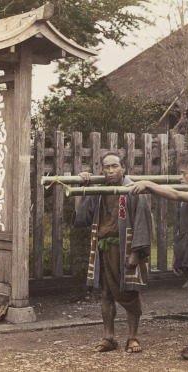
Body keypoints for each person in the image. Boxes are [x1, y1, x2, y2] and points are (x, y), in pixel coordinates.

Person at [130, 152, 188, 361]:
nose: (180, 176)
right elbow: (185, 230)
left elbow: (175, 194)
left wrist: (148, 184)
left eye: (184, 173)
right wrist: (177, 257)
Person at [73, 151, 152, 353]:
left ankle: (132, 337)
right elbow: (82, 217)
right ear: (102, 169)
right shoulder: (100, 191)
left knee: (130, 291)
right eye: (106, 167)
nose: (110, 171)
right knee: (106, 293)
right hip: (103, 248)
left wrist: (136, 252)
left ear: (123, 167)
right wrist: (83, 186)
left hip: (126, 248)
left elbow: (143, 221)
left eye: (114, 166)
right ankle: (109, 337)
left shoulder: (134, 189)